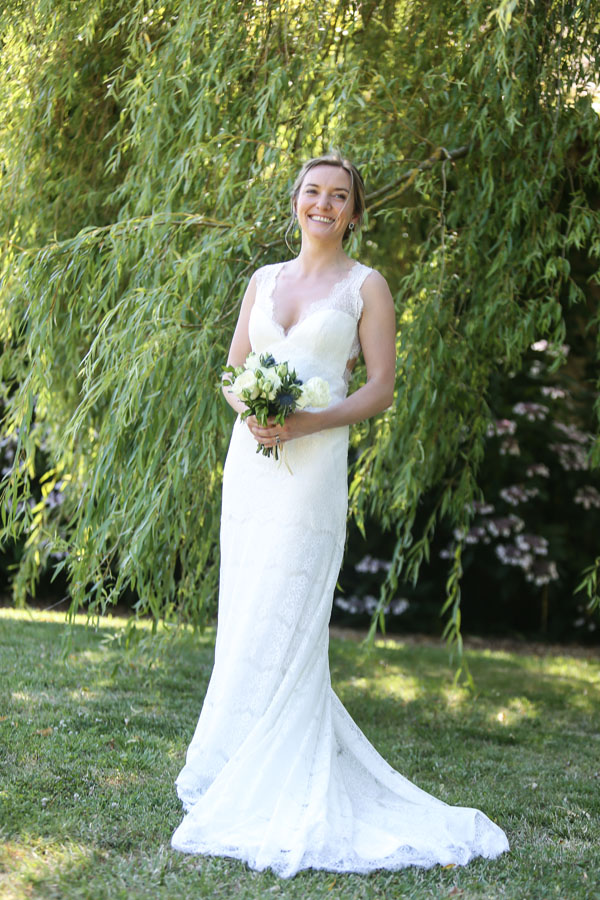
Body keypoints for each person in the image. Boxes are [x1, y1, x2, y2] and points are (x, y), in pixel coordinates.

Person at [171, 153, 509, 877]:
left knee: (289, 607)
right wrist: (252, 406)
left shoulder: (366, 286)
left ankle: (282, 769)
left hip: (313, 467)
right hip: (252, 463)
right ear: (295, 201)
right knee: (247, 605)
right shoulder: (262, 281)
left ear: (355, 212)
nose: (323, 205)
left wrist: (306, 421)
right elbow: (232, 369)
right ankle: (233, 759)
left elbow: (381, 387)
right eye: (312, 192)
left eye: (338, 196)